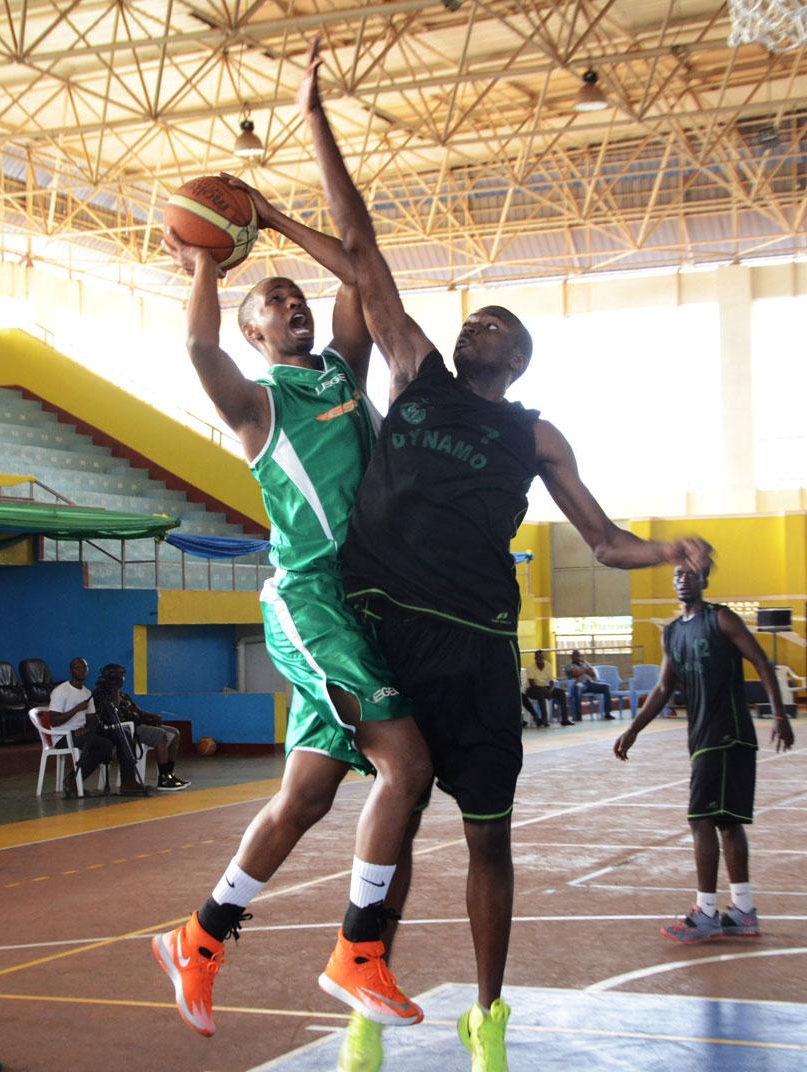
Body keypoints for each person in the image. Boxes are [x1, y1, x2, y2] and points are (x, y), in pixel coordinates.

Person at [300, 36, 714, 1072]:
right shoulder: (417, 372)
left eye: (490, 320)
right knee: (386, 834)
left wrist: (666, 543)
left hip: (479, 641)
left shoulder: (531, 432)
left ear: (515, 356)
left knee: (487, 836)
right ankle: (367, 1006)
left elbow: (604, 539)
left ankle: (488, 1017)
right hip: (391, 625)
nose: (469, 320)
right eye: (469, 315)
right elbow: (360, 249)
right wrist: (311, 121)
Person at [152, 182, 432, 1039]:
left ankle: (197, 939)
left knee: (304, 799)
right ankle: (357, 951)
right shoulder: (257, 405)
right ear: (255, 334)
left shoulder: (343, 369)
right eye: (271, 302)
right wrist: (206, 262)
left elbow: (357, 267)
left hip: (358, 606)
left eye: (293, 296)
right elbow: (200, 344)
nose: (289, 302)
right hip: (314, 600)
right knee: (407, 767)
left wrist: (272, 221)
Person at [614, 566, 794, 943]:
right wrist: (633, 729)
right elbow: (664, 688)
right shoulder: (673, 631)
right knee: (727, 822)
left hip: (727, 734)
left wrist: (779, 714)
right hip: (703, 738)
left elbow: (761, 661)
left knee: (701, 819)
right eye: (678, 574)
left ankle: (706, 913)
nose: (683, 579)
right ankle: (743, 911)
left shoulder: (721, 618)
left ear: (704, 581)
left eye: (691, 574)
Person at [46, 657, 143, 798]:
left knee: (123, 734)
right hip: (63, 736)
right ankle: (72, 779)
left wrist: (87, 728)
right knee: (104, 746)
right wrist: (76, 709)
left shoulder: (87, 692)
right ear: (71, 671)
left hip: (82, 733)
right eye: (77, 667)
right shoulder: (60, 691)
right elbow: (53, 721)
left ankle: (128, 781)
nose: (82, 670)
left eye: (84, 667)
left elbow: (92, 720)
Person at [93, 664, 190, 792]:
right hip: (127, 728)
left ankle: (168, 773)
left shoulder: (124, 696)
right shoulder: (102, 694)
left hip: (139, 723)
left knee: (174, 732)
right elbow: (113, 711)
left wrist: (150, 716)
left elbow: (137, 710)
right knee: (160, 734)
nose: (123, 679)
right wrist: (114, 689)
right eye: (120, 676)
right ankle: (163, 779)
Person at [563, 649, 614, 720]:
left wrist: (583, 671)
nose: (578, 657)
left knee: (606, 687)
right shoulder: (569, 665)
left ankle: (607, 713)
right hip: (579, 684)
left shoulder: (586, 663)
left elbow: (593, 674)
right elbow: (574, 674)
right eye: (576, 656)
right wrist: (585, 670)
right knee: (577, 688)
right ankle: (578, 716)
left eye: (579, 656)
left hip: (590, 683)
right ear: (572, 657)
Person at [525, 651, 571, 727]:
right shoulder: (530, 667)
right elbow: (532, 684)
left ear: (544, 657)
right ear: (535, 658)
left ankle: (565, 719)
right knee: (540, 694)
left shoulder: (548, 665)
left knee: (561, 692)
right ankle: (544, 719)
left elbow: (551, 681)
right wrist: (544, 690)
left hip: (544, 688)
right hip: (532, 689)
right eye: (538, 657)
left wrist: (550, 690)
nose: (540, 659)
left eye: (542, 657)